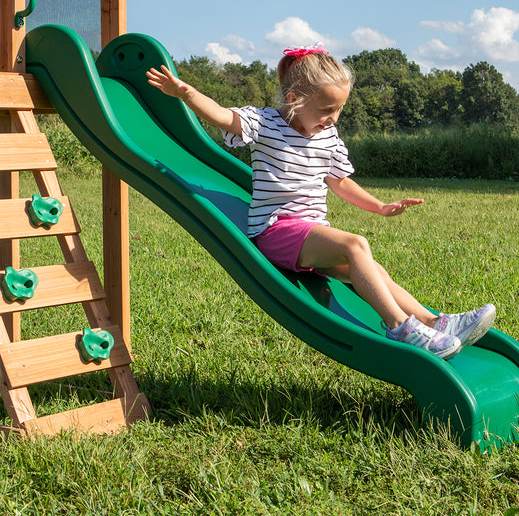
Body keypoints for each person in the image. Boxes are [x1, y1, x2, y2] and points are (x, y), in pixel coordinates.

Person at [146, 43, 495, 360]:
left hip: (311, 236)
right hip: (275, 233)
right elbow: (223, 116)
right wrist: (187, 94)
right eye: (327, 109)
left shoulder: (327, 136)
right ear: (295, 98)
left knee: (372, 270)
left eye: (339, 109)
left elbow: (340, 182)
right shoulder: (265, 123)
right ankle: (400, 327)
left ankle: (435, 322)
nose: (333, 118)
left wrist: (380, 206)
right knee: (356, 245)